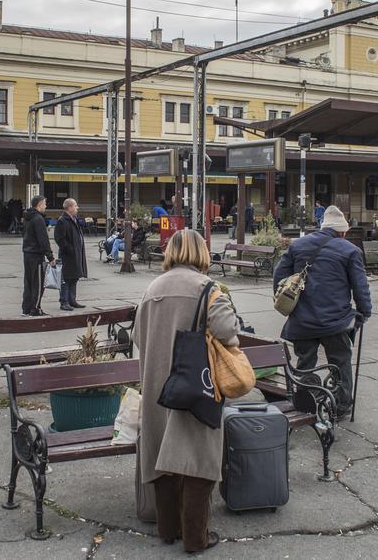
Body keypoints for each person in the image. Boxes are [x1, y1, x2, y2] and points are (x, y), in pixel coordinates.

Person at [135, 229, 241, 552]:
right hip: (197, 386)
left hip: (157, 385)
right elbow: (228, 332)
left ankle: (168, 530)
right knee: (199, 461)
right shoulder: (208, 289)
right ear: (201, 253)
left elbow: (139, 336)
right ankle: (196, 538)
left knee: (162, 456)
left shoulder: (152, 288)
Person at [272, 205, 372, 418]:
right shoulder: (350, 251)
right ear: (343, 231)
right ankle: (342, 405)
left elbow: (279, 276)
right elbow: (360, 287)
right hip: (336, 321)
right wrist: (364, 312)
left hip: (302, 320)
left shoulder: (298, 246)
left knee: (305, 361)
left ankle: (307, 398)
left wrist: (288, 303)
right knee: (341, 361)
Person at [22, 195, 54, 316]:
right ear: (39, 204)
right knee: (38, 284)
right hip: (36, 255)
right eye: (45, 204)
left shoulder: (27, 218)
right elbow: (43, 240)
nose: (46, 206)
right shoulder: (38, 219)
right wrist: (50, 257)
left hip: (27, 253)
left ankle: (26, 308)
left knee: (28, 282)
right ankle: (35, 308)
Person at [54, 198, 87, 311]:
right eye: (75, 206)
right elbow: (59, 239)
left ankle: (72, 300)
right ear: (70, 207)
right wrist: (70, 249)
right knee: (65, 278)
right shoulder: (62, 221)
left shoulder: (74, 219)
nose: (77, 208)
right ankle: (64, 301)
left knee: (74, 277)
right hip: (67, 255)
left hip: (76, 254)